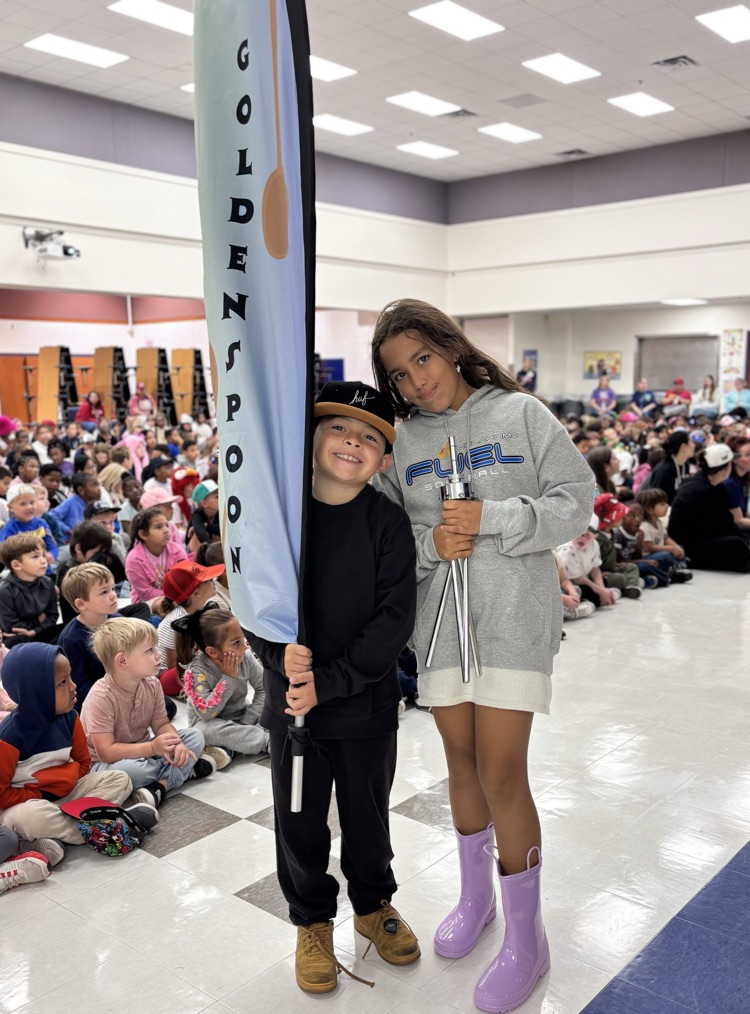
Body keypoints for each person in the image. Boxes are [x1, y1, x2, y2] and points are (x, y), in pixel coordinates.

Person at [371, 300, 595, 1012]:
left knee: (502, 771)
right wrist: (430, 545)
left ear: (449, 346)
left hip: (513, 624)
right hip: (439, 629)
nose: (416, 381)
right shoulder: (403, 442)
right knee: (460, 765)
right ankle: (477, 901)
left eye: (423, 359)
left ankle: (528, 941)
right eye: (399, 374)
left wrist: (493, 518)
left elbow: (577, 500)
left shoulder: (521, 414)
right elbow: (385, 541)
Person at [247, 380, 420, 994]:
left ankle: (373, 905)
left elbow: (393, 620)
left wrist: (332, 681)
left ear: (384, 459)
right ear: (312, 438)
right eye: (338, 428)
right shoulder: (280, 521)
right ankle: (312, 921)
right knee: (298, 820)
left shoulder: (388, 523)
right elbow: (253, 606)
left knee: (368, 816)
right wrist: (276, 655)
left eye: (370, 437)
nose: (352, 442)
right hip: (294, 706)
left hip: (364, 705)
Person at [0, 643, 133, 866]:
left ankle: (59, 833)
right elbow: (2, 795)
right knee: (31, 816)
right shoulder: (9, 737)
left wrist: (63, 784)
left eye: (70, 678)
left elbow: (83, 764)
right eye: (62, 683)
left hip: (66, 795)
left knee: (120, 779)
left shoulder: (70, 718)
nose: (73, 686)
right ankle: (101, 828)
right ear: (36, 692)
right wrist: (41, 793)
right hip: (27, 805)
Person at [81, 618, 215, 811]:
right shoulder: (101, 696)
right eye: (149, 650)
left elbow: (161, 724)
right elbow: (106, 752)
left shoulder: (152, 684)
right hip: (107, 765)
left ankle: (160, 786)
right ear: (122, 661)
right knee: (131, 772)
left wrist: (176, 743)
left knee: (195, 736)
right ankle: (181, 771)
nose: (158, 654)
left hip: (145, 752)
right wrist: (153, 748)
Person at [172, 603, 269, 762]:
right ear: (212, 651)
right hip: (209, 723)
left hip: (242, 716)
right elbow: (206, 714)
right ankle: (268, 742)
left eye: (243, 639)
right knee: (205, 731)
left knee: (278, 708)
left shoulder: (244, 656)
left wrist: (247, 720)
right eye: (236, 643)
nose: (245, 647)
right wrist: (228, 678)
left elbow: (264, 689)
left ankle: (231, 748)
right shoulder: (196, 671)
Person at [668, 444, 750, 573]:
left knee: (742, 537)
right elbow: (715, 527)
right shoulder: (701, 491)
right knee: (736, 544)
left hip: (704, 537)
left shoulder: (716, 487)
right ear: (723, 469)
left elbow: (726, 523)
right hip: (689, 547)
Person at [157, 558, 224, 695]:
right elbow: (172, 665)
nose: (214, 581)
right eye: (209, 580)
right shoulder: (177, 622)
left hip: (188, 666)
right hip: (165, 677)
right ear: (196, 593)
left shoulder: (201, 610)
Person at [0, 535, 61, 647]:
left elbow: (52, 616)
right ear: (16, 565)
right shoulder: (4, 590)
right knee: (17, 640)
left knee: (70, 630)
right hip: (19, 639)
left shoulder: (47, 582)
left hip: (41, 632)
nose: (43, 560)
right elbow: (12, 627)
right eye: (35, 556)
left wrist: (34, 631)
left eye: (43, 555)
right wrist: (39, 620)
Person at [125, 507, 187, 605]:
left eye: (166, 525)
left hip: (178, 599)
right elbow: (146, 593)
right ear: (143, 534)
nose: (166, 530)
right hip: (147, 604)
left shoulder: (177, 551)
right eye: (158, 527)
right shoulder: (134, 560)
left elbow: (185, 581)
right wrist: (174, 596)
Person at [556, 522, 621, 609]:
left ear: (595, 536)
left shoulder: (594, 544)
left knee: (616, 579)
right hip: (573, 583)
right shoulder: (566, 551)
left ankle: (607, 595)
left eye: (587, 535)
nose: (582, 538)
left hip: (586, 579)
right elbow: (577, 579)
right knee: (587, 593)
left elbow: (595, 569)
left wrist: (602, 589)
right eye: (578, 534)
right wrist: (600, 591)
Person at [635, 488, 692, 581]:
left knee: (680, 547)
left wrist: (676, 548)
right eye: (662, 504)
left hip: (659, 553)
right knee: (666, 555)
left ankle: (677, 565)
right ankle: (675, 569)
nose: (667, 505)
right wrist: (671, 549)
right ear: (650, 509)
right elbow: (650, 547)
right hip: (648, 556)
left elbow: (666, 538)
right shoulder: (644, 526)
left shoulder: (658, 522)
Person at [592, 493, 642, 598]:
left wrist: (616, 564)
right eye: (619, 515)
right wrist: (600, 573)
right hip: (599, 573)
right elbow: (592, 561)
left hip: (611, 568)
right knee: (619, 578)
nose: (622, 517)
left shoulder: (611, 533)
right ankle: (625, 584)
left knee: (631, 567)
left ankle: (630, 587)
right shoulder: (597, 538)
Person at [0, 485, 57, 570]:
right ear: (10, 507)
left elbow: (52, 547)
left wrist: (51, 555)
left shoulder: (42, 523)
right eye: (22, 504)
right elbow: (5, 555)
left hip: (44, 571)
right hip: (21, 573)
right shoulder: (9, 529)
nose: (29, 507)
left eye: (32, 502)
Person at [645, 431, 694, 503]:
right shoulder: (664, 470)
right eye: (691, 442)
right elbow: (656, 498)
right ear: (684, 447)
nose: (694, 445)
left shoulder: (685, 466)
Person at [52, 472, 101, 538]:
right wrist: (68, 530)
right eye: (94, 486)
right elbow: (52, 517)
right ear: (81, 490)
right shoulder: (71, 501)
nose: (99, 489)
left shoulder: (96, 505)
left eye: (99, 485)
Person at [724, 436, 750, 531]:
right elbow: (738, 521)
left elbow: (744, 513)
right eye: (748, 454)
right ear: (734, 459)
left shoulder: (742, 480)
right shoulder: (729, 483)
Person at [186, 479, 220, 552]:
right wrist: (213, 551)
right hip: (193, 552)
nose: (221, 498)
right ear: (204, 503)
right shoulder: (197, 515)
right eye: (217, 497)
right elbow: (201, 534)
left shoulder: (219, 513)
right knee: (196, 533)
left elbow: (224, 530)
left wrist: (208, 526)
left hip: (210, 548)